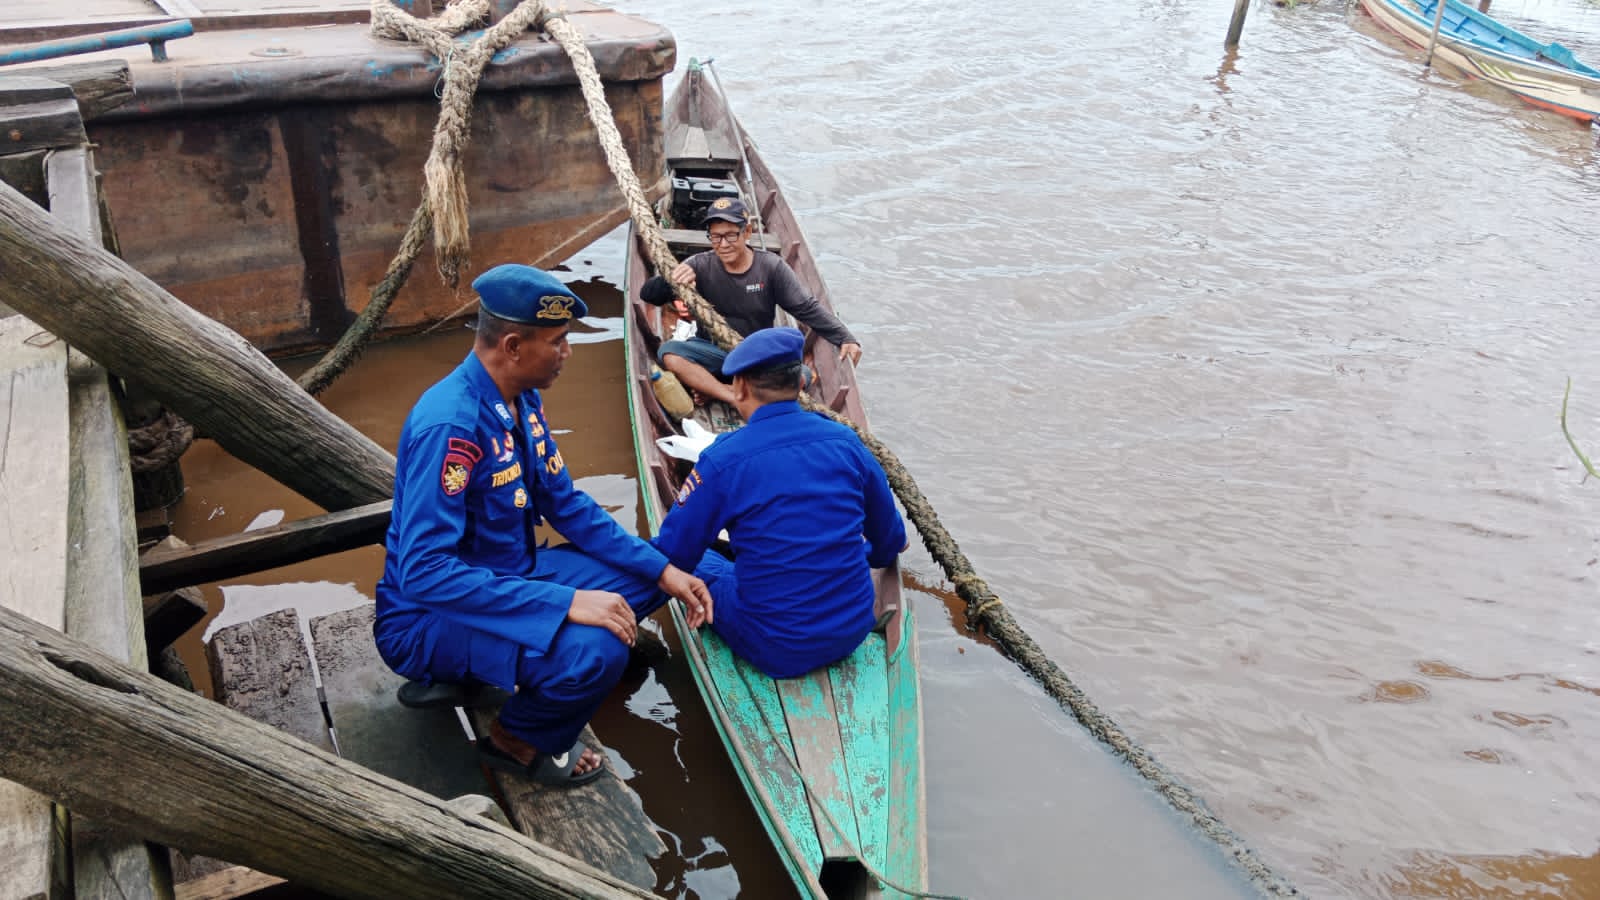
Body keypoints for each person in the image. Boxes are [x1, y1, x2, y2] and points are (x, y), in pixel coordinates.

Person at [374, 263, 713, 787]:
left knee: (655, 574)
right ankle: (517, 740)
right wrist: (568, 604)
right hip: (428, 616)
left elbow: (566, 504)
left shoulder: (521, 398)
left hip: (512, 575)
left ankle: (503, 678)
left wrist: (663, 570)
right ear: (511, 346)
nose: (568, 353)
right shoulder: (452, 425)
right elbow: (423, 574)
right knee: (598, 650)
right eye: (557, 342)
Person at [651, 327, 907, 678]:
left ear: (738, 387)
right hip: (853, 629)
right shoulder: (846, 442)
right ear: (801, 386)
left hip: (775, 646)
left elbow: (673, 555)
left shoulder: (723, 459)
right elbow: (889, 543)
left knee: (695, 565)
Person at [640, 196, 863, 407]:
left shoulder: (770, 267)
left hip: (758, 356)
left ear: (747, 232)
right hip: (715, 354)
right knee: (669, 353)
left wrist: (844, 337)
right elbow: (649, 295)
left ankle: (717, 388)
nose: (723, 244)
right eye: (716, 237)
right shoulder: (699, 264)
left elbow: (806, 308)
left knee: (802, 375)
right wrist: (673, 280)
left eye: (731, 235)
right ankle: (730, 394)